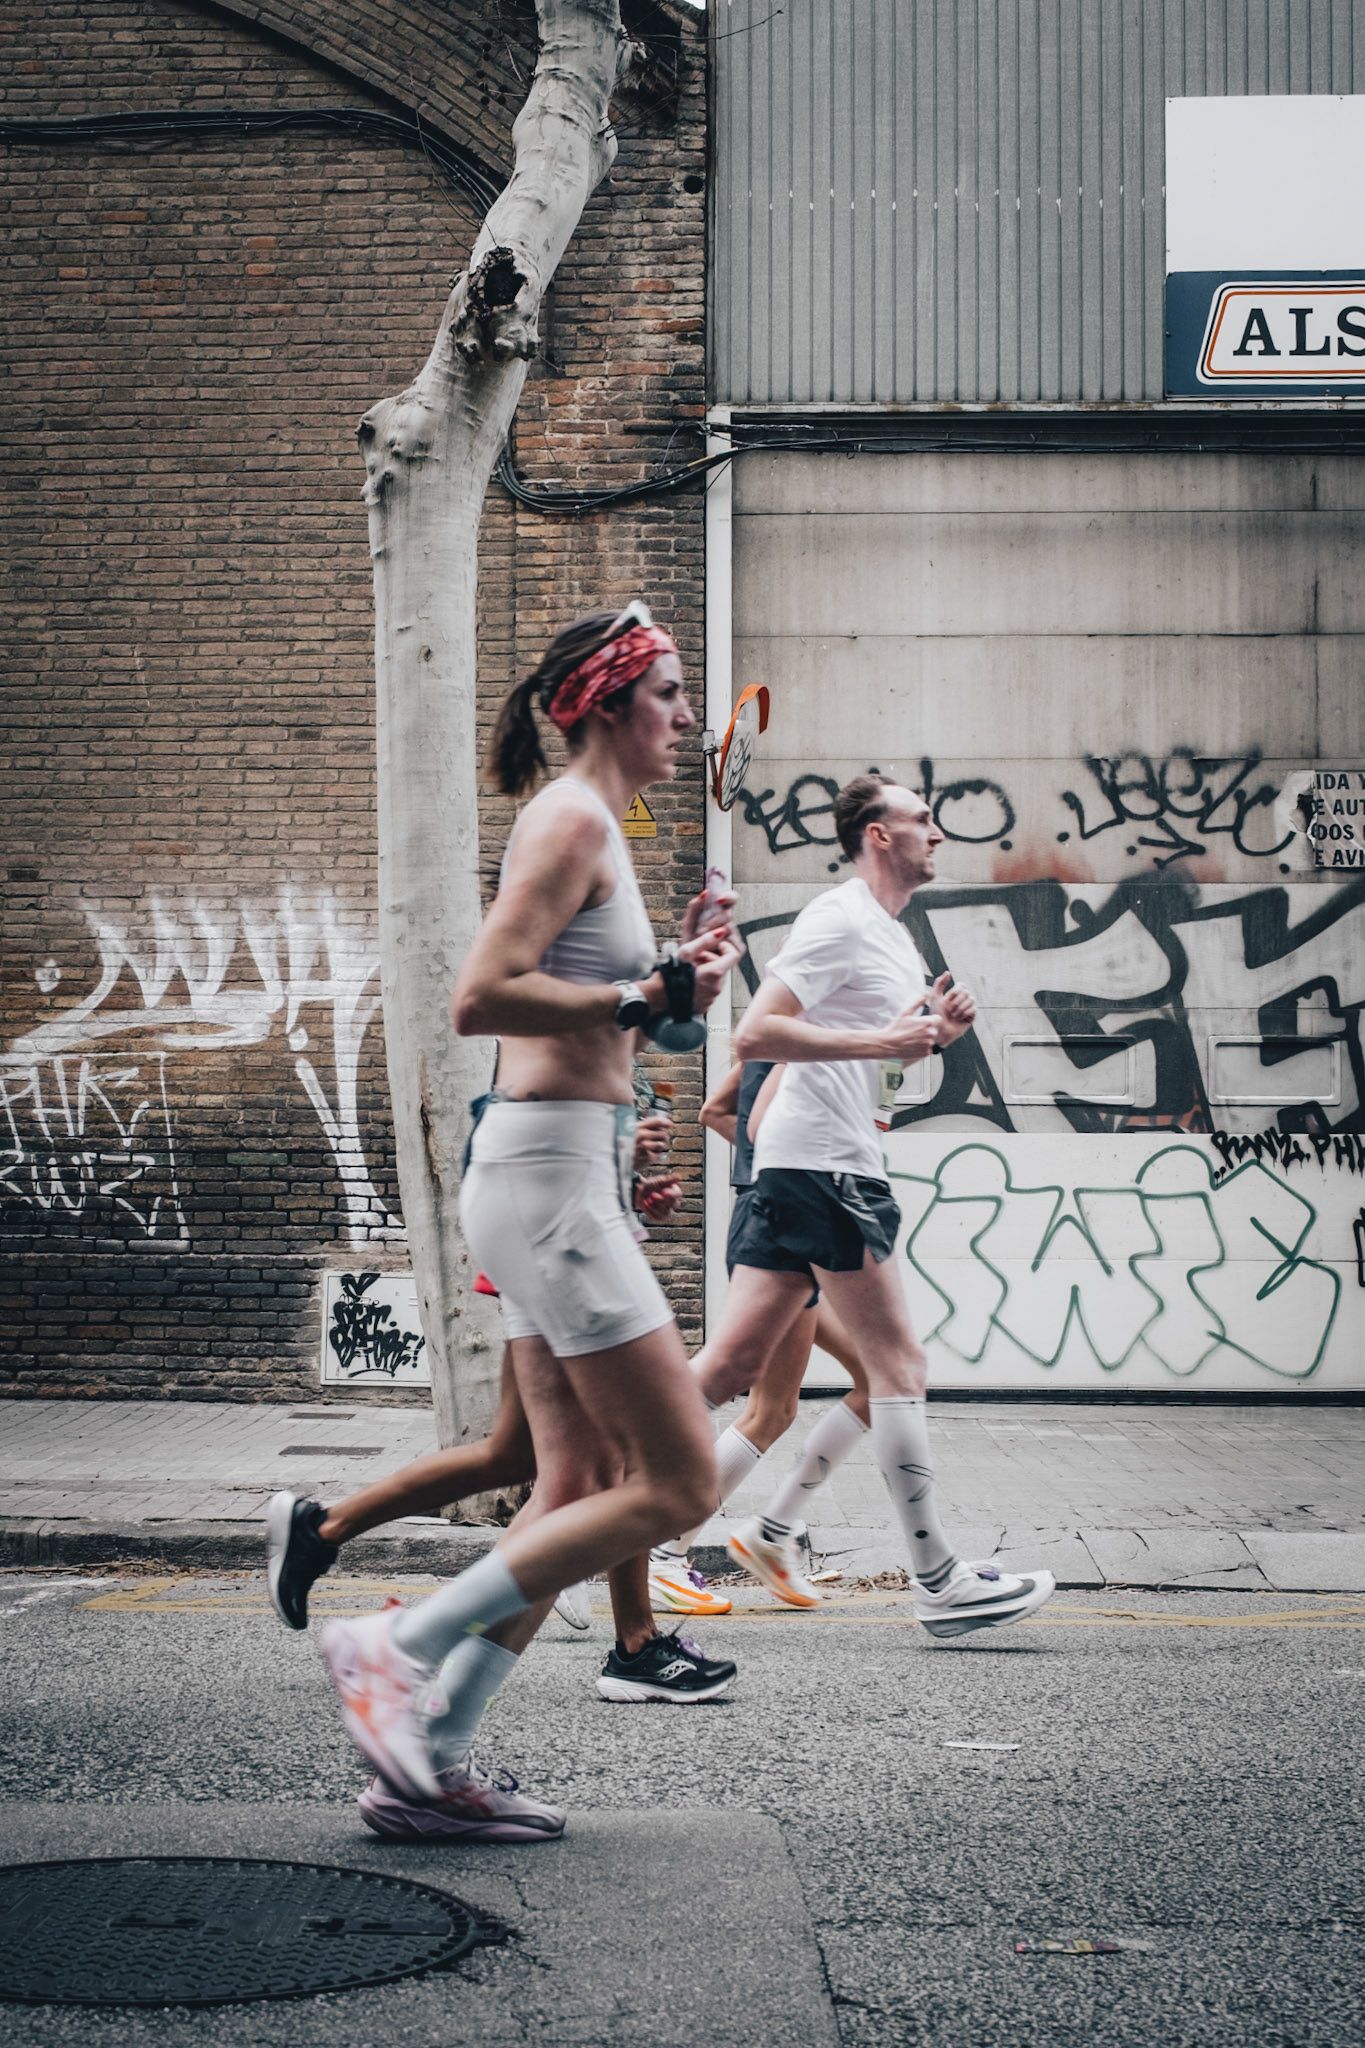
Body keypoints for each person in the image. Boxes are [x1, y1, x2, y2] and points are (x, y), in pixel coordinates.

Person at [314, 602, 744, 1833]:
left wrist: (676, 987)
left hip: (564, 1167)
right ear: (607, 703)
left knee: (586, 1476)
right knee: (678, 1479)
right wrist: (638, 991)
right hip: (546, 1177)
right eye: (668, 692)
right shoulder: (569, 818)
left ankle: (430, 1762)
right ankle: (394, 1647)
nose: (686, 715)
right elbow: (481, 996)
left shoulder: (597, 824)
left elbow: (616, 1021)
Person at [691, 773, 1057, 1641]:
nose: (938, 831)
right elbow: (755, 1034)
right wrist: (886, 1036)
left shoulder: (893, 938)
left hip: (814, 1163)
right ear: (877, 835)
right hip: (823, 1167)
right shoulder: (839, 916)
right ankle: (938, 1580)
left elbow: (875, 1065)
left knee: (725, 1371)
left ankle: (597, 1525)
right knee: (898, 1368)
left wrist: (932, 1039)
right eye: (921, 818)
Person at [649, 1056, 874, 1611]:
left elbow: (715, 1110)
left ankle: (757, 1535)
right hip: (790, 1219)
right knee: (756, 1398)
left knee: (863, 1383)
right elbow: (744, 1118)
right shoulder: (816, 1028)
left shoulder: (786, 1029)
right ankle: (659, 1547)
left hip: (791, 1214)